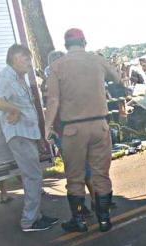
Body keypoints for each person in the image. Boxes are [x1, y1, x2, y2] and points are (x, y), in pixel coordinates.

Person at [45, 28, 121, 233]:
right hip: (99, 125)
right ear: (84, 42)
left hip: (73, 130)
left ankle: (79, 218)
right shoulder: (97, 60)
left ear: (66, 45)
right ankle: (104, 219)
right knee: (101, 175)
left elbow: (52, 100)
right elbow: (118, 79)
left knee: (75, 178)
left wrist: (47, 127)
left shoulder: (57, 66)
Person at [0, 44, 58, 232]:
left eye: (29, 57)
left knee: (33, 176)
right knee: (32, 176)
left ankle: (37, 216)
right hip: (19, 134)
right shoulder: (6, 76)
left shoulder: (18, 78)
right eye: (24, 57)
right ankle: (29, 221)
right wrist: (14, 110)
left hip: (26, 134)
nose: (29, 61)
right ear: (13, 59)